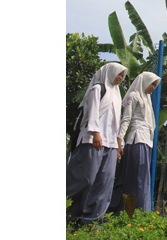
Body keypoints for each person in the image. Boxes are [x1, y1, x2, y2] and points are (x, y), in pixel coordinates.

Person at [66, 62, 127, 226]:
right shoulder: (98, 89)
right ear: (110, 72)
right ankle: (69, 212)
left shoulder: (116, 93)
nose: (120, 78)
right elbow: (92, 113)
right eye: (118, 74)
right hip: (93, 140)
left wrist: (118, 144)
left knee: (105, 182)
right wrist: (96, 133)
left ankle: (94, 219)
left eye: (123, 76)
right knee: (85, 179)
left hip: (110, 143)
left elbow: (116, 120)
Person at [108, 71, 161, 215]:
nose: (153, 88)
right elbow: (126, 119)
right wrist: (119, 140)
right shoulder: (134, 96)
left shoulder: (147, 99)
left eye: (155, 85)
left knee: (142, 179)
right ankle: (128, 212)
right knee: (135, 179)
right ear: (144, 82)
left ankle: (140, 212)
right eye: (152, 84)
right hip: (136, 140)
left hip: (146, 142)